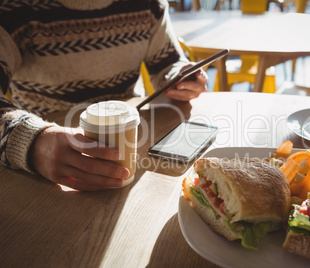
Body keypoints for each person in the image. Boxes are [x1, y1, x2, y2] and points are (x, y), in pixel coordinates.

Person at [0, 0, 207, 191]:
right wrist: (32, 141)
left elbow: (168, 64)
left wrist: (180, 77)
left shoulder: (149, 5)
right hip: (45, 170)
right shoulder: (12, 9)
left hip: (133, 142)